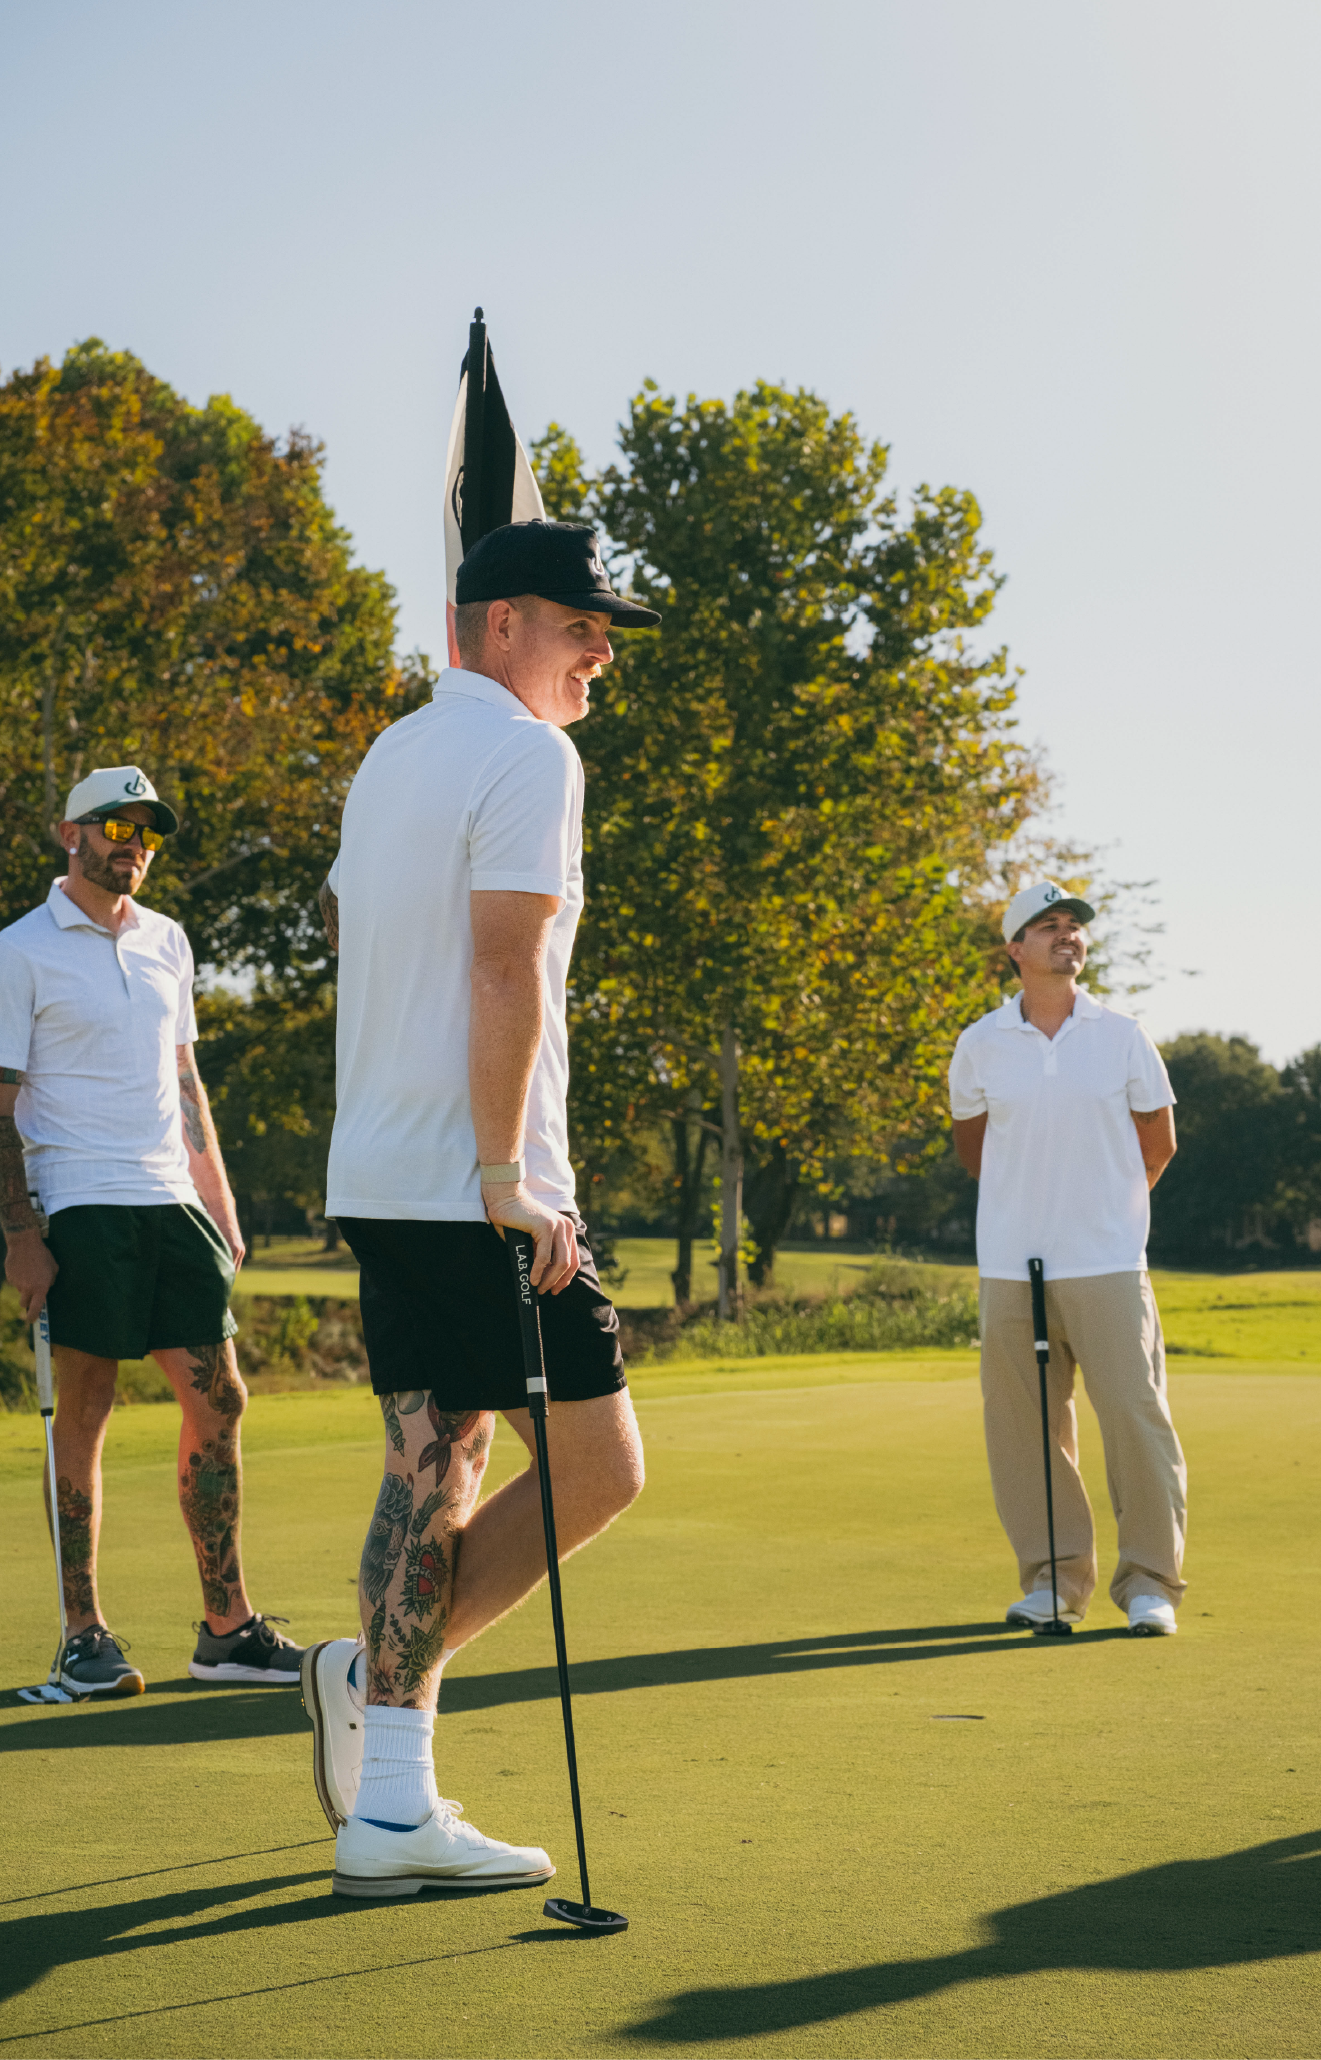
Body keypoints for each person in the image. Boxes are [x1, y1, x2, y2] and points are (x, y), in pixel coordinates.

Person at [302, 521, 660, 1898]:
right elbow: (507, 968)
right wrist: (510, 1179)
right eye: (583, 625)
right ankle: (389, 1775)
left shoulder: (395, 754)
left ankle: (383, 1745)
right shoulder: (528, 755)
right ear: (503, 622)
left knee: (436, 1463)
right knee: (594, 1466)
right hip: (475, 1184)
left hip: (382, 1175)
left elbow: (348, 928)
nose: (601, 652)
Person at [0, 767, 305, 1696]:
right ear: (70, 835)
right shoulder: (19, 950)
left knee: (221, 1402)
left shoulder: (170, 941)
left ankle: (228, 1629)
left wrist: (221, 1199)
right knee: (84, 1418)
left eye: (147, 831)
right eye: (114, 825)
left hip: (172, 1201)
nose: (133, 841)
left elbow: (185, 1084)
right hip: (78, 1202)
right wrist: (19, 1232)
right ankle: (84, 1636)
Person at [948, 881, 1186, 1637]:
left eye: (1073, 927)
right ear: (1014, 949)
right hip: (1010, 1269)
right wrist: (1033, 1210)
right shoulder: (979, 1042)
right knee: (1024, 1428)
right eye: (1047, 927)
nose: (1067, 936)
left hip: (1107, 1261)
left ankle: (1149, 1582)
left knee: (1133, 1416)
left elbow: (1158, 1144)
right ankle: (1052, 1581)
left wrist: (1101, 1210)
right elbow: (976, 1153)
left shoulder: (1122, 1035)